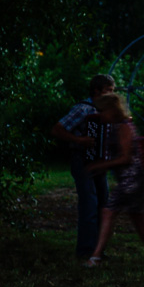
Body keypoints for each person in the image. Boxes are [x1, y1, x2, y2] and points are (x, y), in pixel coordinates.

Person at [83, 93, 144, 267]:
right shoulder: (116, 126)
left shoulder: (124, 127)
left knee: (109, 211)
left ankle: (95, 257)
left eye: (102, 111)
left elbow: (126, 158)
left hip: (131, 178)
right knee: (137, 216)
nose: (100, 114)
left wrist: (101, 165)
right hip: (129, 177)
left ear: (112, 110)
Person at [51, 73, 115, 259]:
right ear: (96, 91)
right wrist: (79, 140)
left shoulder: (105, 110)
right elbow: (57, 129)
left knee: (103, 204)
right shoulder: (83, 109)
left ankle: (98, 250)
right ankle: (85, 251)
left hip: (100, 161)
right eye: (108, 91)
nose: (111, 94)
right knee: (89, 204)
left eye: (113, 91)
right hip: (82, 160)